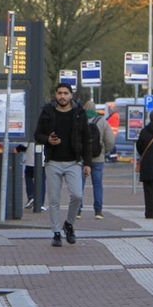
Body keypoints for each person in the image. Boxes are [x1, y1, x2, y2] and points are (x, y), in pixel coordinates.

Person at [34, 83, 92, 247]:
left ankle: (69, 224)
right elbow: (37, 135)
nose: (62, 96)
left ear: (71, 95)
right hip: (53, 162)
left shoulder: (79, 113)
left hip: (73, 161)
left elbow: (86, 139)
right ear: (55, 94)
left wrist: (87, 163)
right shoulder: (48, 112)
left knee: (77, 195)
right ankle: (56, 233)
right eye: (59, 93)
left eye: (66, 93)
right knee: (54, 199)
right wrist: (48, 139)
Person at [78, 100, 115, 219]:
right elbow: (110, 141)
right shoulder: (102, 122)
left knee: (79, 184)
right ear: (95, 109)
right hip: (98, 158)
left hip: (82, 158)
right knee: (97, 184)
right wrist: (103, 151)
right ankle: (98, 211)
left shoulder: (79, 120)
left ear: (84, 108)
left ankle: (78, 210)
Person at [21, 142, 46, 210]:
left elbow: (23, 146)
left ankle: (31, 196)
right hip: (42, 161)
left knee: (28, 178)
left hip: (30, 161)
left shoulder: (30, 136)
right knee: (41, 180)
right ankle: (40, 203)